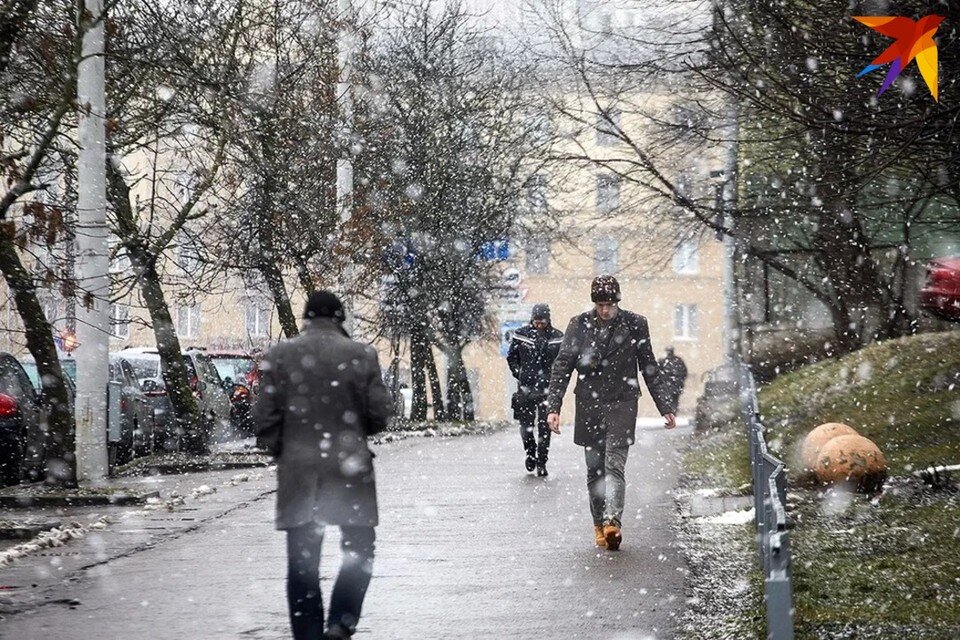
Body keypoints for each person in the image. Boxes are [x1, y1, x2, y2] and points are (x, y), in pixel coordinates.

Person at [253, 291, 393, 640]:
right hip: (349, 466)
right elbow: (379, 415)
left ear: (307, 318)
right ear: (340, 317)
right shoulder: (361, 354)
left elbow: (264, 419)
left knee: (303, 563)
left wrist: (284, 450)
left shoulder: (280, 355)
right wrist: (353, 430)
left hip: (299, 470)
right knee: (359, 549)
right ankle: (341, 622)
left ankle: (309, 635)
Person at [545, 275, 676, 551]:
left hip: (622, 403)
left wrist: (665, 406)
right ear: (594, 304)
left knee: (614, 465)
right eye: (600, 304)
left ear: (618, 302)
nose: (605, 310)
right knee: (594, 470)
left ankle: (612, 521)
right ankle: (598, 523)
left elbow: (649, 366)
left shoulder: (635, 324)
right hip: (589, 405)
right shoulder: (578, 325)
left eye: (610, 304)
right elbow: (562, 366)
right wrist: (553, 407)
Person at [506, 303, 564, 476]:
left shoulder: (557, 337)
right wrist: (519, 373)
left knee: (545, 427)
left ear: (548, 320)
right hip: (526, 387)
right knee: (526, 426)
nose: (539, 325)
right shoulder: (521, 335)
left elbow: (562, 362)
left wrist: (555, 379)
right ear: (532, 319)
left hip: (547, 388)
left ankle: (542, 461)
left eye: (542, 322)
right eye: (536, 322)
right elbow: (512, 357)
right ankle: (530, 453)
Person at [658, 346, 688, 414]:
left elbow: (684, 372)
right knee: (673, 401)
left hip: (670, 386)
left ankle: (671, 413)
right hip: (672, 385)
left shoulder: (664, 361)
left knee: (670, 401)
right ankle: (671, 413)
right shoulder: (677, 361)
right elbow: (684, 373)